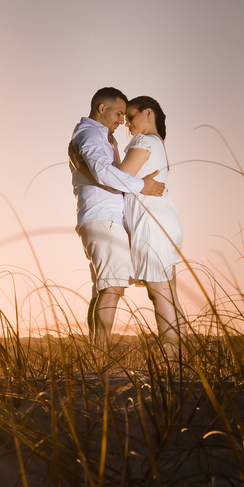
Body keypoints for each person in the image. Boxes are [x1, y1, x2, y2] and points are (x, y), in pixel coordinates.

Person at [69, 87, 165, 342]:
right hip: (103, 218)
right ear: (102, 108)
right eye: (119, 113)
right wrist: (141, 186)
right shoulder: (90, 133)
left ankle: (95, 353)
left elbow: (103, 173)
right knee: (112, 287)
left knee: (104, 288)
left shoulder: (101, 136)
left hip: (104, 218)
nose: (122, 121)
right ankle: (100, 356)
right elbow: (104, 172)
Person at [117, 95, 185, 345]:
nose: (128, 125)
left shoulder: (144, 140)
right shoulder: (157, 143)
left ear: (148, 113)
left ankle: (172, 361)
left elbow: (120, 178)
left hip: (152, 223)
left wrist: (139, 186)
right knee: (169, 295)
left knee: (161, 295)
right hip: (162, 219)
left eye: (131, 117)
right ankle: (180, 359)